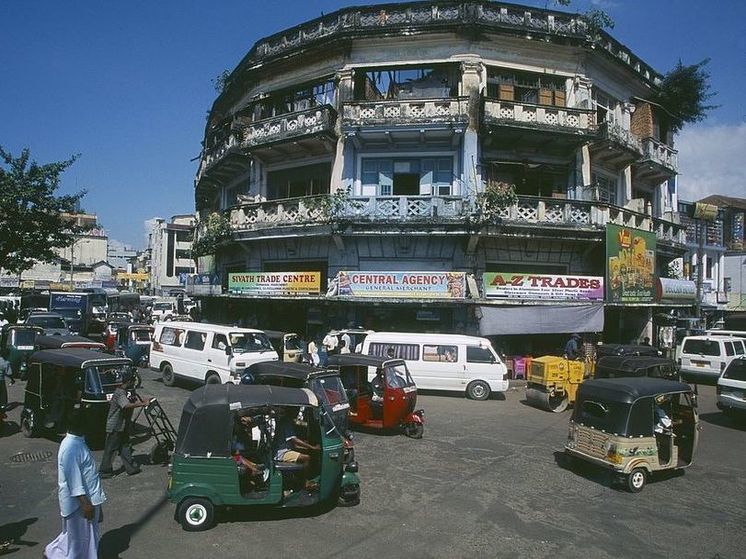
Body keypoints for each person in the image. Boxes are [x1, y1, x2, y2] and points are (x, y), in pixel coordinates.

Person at [44, 407, 106, 559]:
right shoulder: (70, 447)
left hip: (88, 500)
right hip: (78, 505)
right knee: (78, 543)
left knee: (81, 538)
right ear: (81, 425)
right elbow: (74, 480)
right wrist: (85, 504)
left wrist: (97, 503)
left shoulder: (78, 443)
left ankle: (52, 553)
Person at [99, 370, 151, 478]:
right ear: (128, 381)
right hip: (115, 427)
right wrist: (142, 403)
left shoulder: (122, 392)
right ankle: (105, 471)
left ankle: (131, 468)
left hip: (121, 426)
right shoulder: (120, 393)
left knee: (125, 446)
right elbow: (125, 405)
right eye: (132, 381)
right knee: (110, 449)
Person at [274, 407, 320, 490]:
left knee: (307, 452)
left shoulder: (286, 421)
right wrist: (312, 447)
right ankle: (305, 482)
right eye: (296, 410)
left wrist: (306, 445)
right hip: (282, 453)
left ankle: (298, 478)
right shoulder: (286, 422)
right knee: (306, 458)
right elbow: (294, 440)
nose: (297, 413)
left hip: (286, 449)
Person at [0, 353, 13, 418]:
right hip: (1, 381)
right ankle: (2, 412)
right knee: (3, 397)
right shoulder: (5, 362)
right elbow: (9, 373)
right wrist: (12, 380)